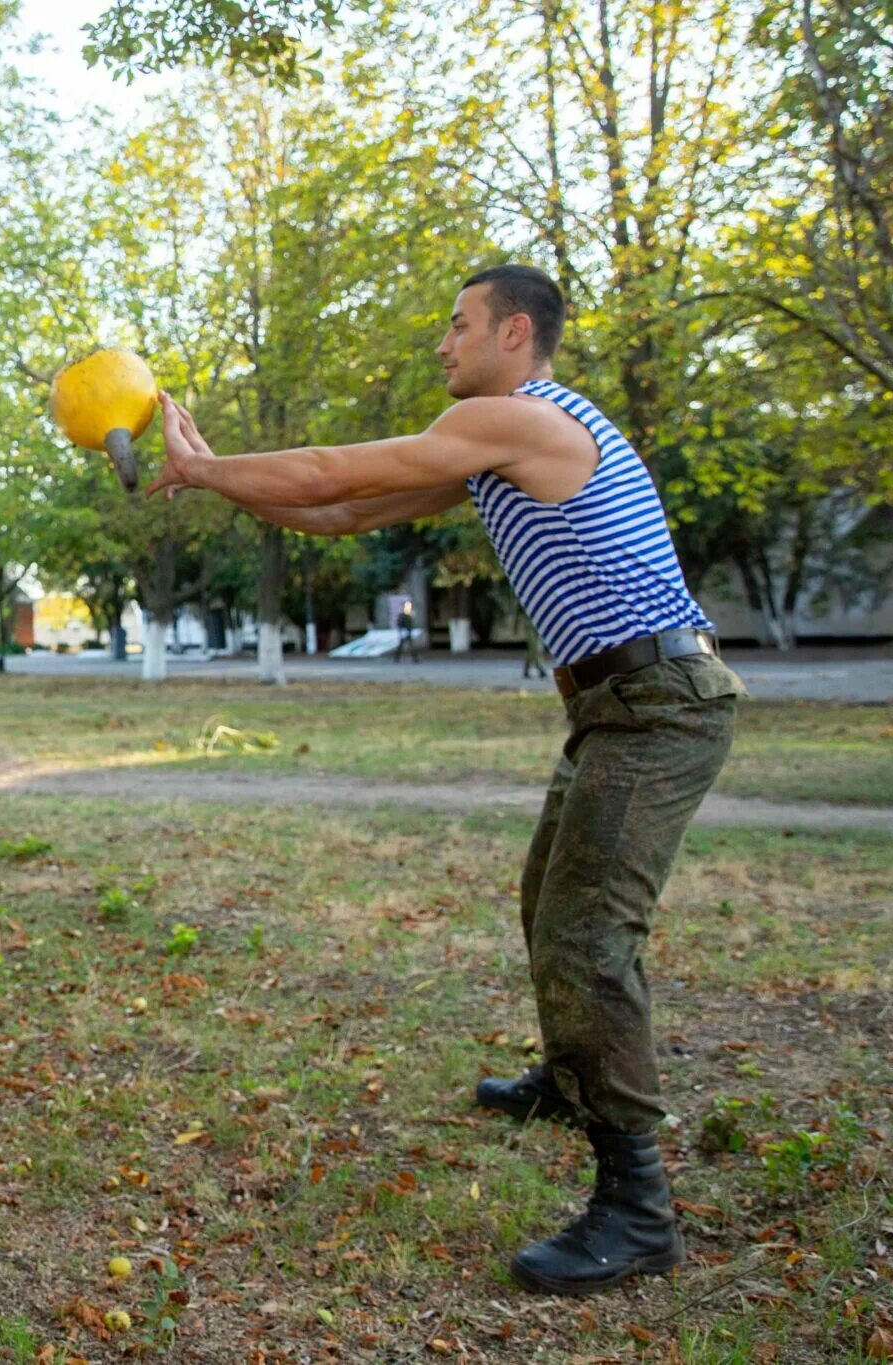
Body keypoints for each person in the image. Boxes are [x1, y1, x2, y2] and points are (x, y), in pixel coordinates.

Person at [147, 264, 744, 1297]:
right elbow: (340, 513)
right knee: (544, 907)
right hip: (614, 707)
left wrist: (206, 469)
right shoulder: (494, 444)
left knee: (584, 938)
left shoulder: (525, 419)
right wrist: (217, 478)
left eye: (456, 325)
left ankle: (637, 1208)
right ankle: (568, 1083)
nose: (440, 344)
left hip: (659, 704)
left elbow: (334, 467)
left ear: (513, 333)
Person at [393, 598, 419, 663]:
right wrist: (402, 630)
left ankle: (415, 658)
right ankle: (397, 658)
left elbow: (411, 624)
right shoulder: (402, 615)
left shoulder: (410, 614)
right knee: (401, 646)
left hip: (409, 632)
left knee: (411, 645)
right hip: (404, 632)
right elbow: (399, 623)